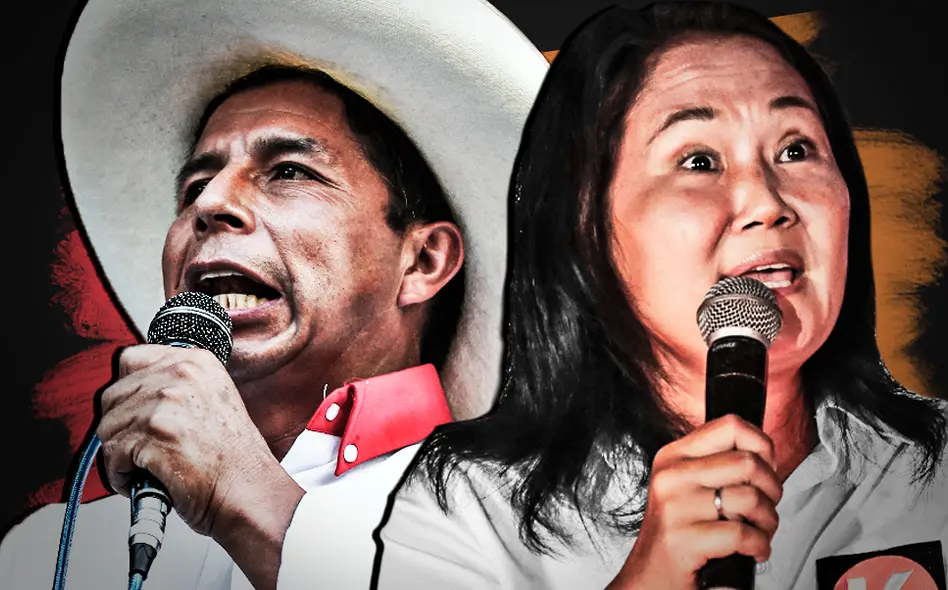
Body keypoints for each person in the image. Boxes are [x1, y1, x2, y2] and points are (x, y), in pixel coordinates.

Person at [374, 3, 948, 589]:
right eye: (698, 161)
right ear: (585, 228)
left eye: (796, 149)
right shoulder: (471, 510)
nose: (767, 203)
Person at [0, 0, 546, 588]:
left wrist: (242, 495)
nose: (210, 204)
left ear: (423, 260)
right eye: (195, 186)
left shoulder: (541, 517)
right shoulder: (53, 552)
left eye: (289, 171)